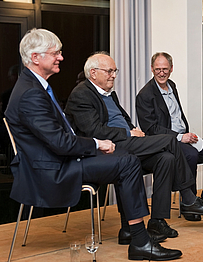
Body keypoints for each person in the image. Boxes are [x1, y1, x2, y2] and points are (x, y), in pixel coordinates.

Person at [4, 28, 182, 261]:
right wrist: (98, 144)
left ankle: (132, 230)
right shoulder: (31, 93)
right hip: (53, 168)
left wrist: (100, 144)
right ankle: (140, 240)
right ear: (36, 57)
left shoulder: (36, 87)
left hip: (60, 159)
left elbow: (61, 136)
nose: (61, 57)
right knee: (127, 161)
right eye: (55, 53)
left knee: (126, 158)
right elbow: (59, 142)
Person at [65, 52, 203, 236]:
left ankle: (157, 221)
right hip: (111, 148)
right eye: (109, 71)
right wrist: (128, 132)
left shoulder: (108, 93)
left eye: (114, 71)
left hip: (129, 141)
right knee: (168, 140)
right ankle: (188, 197)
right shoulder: (81, 94)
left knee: (165, 158)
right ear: (93, 73)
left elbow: (122, 119)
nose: (114, 75)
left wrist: (133, 129)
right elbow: (93, 131)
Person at [136, 52, 203, 222]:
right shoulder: (145, 95)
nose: (161, 72)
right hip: (167, 142)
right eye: (157, 69)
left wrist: (187, 135)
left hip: (186, 137)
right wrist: (180, 137)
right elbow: (151, 129)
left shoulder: (171, 85)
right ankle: (189, 204)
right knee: (191, 154)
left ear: (171, 69)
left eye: (165, 69)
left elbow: (176, 115)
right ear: (152, 69)